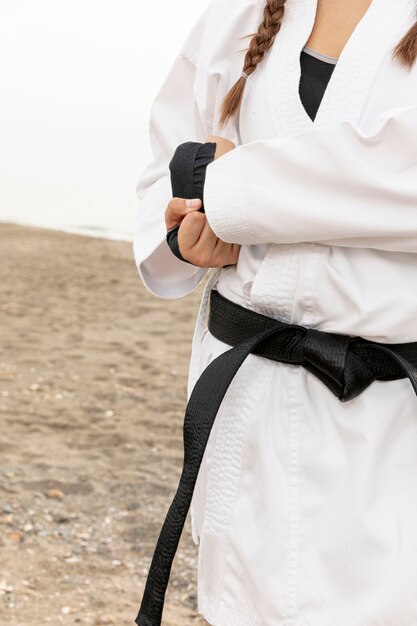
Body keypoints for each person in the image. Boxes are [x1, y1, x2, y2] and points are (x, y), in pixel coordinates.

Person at [133, 1, 417, 625]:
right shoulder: (237, 12)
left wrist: (234, 188)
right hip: (245, 396)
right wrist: (188, 228)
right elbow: (171, 169)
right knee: (237, 605)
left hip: (388, 410)